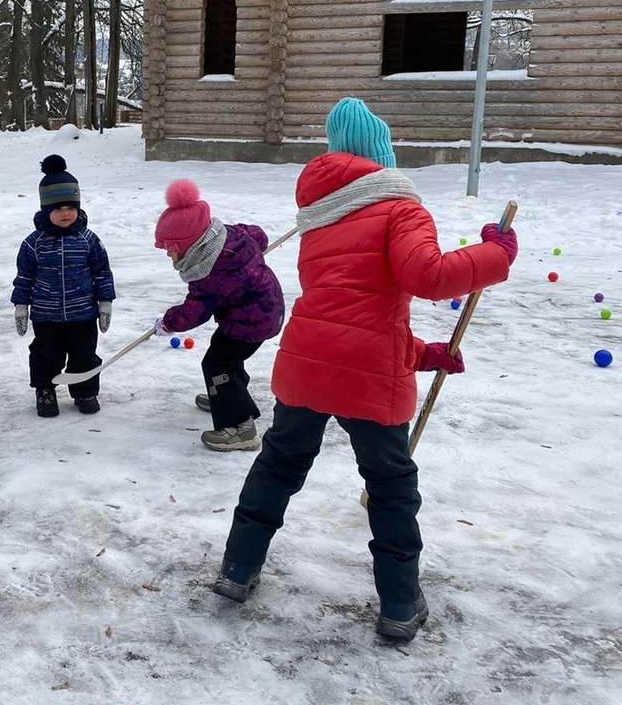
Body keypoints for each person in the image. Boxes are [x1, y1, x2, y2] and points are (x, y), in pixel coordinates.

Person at [211, 96, 519, 644]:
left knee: (278, 467)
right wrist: (495, 256)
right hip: (368, 377)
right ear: (382, 155)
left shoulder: (320, 218)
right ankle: (400, 603)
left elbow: (351, 309)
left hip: (309, 364)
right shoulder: (400, 207)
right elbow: (426, 276)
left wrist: (422, 353)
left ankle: (236, 569)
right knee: (391, 487)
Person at [152, 179, 285, 451]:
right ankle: (225, 395)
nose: (167, 253)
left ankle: (241, 427)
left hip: (251, 322)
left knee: (217, 364)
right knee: (226, 357)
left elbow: (195, 310)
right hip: (265, 309)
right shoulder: (229, 235)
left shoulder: (211, 273)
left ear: (190, 245)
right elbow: (258, 234)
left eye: (171, 248)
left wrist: (168, 323)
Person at [12, 154, 116, 417]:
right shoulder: (33, 243)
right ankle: (45, 391)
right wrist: (21, 306)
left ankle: (85, 391)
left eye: (71, 207)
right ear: (46, 210)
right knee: (45, 355)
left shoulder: (88, 240)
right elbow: (24, 277)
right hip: (46, 315)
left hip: (83, 313)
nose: (66, 214)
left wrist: (105, 304)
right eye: (58, 209)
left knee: (85, 355)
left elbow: (102, 272)